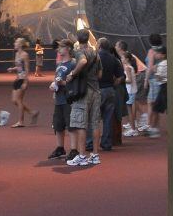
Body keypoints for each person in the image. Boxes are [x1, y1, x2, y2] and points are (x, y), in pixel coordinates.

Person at [59, 29, 101, 166]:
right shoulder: (95, 52)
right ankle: (95, 155)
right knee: (95, 123)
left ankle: (82, 156)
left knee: (80, 124)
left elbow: (82, 62)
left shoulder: (79, 51)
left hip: (83, 92)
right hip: (96, 90)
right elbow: (100, 73)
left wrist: (72, 74)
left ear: (78, 38)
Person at [47, 40, 73, 161]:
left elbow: (73, 84)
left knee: (71, 125)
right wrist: (54, 86)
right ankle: (60, 147)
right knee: (58, 125)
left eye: (61, 47)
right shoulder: (59, 65)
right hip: (59, 98)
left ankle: (74, 149)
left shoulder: (73, 64)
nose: (59, 50)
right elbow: (57, 79)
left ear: (68, 48)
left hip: (68, 99)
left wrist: (62, 83)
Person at [96, 37, 122, 151]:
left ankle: (90, 143)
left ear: (99, 45)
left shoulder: (95, 58)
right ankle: (106, 143)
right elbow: (121, 76)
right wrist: (114, 84)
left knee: (94, 118)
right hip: (110, 90)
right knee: (108, 118)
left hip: (97, 90)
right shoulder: (114, 59)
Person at [9, 38, 39, 127]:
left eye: (16, 42)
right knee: (14, 101)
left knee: (18, 100)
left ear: (21, 45)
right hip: (17, 78)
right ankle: (32, 112)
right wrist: (12, 69)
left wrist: (25, 82)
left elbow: (26, 69)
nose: (14, 43)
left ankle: (21, 121)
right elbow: (19, 67)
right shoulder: (16, 54)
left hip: (22, 79)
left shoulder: (25, 55)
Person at [117, 41, 143, 136]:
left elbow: (129, 80)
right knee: (130, 110)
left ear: (126, 59)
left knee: (130, 111)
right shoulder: (130, 67)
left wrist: (121, 80)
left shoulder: (127, 67)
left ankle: (133, 129)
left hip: (130, 91)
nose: (121, 59)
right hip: (132, 90)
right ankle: (133, 127)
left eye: (123, 58)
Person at [139, 32, 163, 135]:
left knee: (150, 103)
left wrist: (145, 80)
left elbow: (150, 68)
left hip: (153, 80)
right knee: (156, 104)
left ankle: (150, 126)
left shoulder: (152, 51)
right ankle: (154, 126)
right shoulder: (163, 51)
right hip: (162, 79)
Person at [149, 44, 168, 132]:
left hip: (163, 87)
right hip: (166, 86)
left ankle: (154, 128)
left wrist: (155, 71)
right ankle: (154, 127)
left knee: (156, 108)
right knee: (158, 108)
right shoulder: (167, 62)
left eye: (158, 53)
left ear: (163, 55)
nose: (157, 54)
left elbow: (159, 77)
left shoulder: (161, 64)